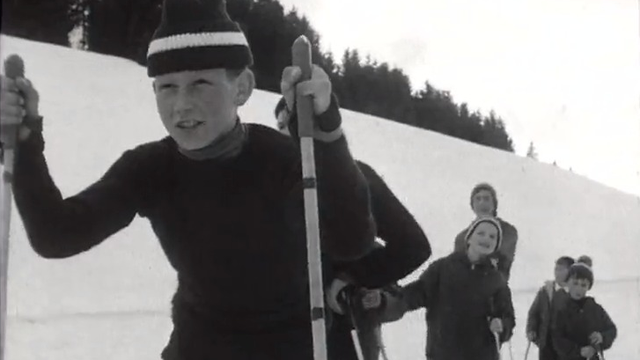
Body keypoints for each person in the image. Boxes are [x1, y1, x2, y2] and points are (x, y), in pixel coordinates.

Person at [0, 0, 379, 359]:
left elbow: (352, 240)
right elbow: (56, 234)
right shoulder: (149, 168)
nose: (181, 104)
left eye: (200, 83)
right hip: (197, 348)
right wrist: (25, 143)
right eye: (167, 86)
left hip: (292, 347)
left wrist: (326, 131)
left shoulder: (280, 159)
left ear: (242, 87)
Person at [275, 98, 431, 360]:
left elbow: (412, 246)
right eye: (280, 125)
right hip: (274, 334)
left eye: (292, 122)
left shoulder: (356, 177)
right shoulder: (267, 182)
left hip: (336, 335)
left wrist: (352, 277)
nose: (284, 131)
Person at [368, 217, 516, 360]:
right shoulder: (443, 268)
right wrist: (383, 303)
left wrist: (502, 324)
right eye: (481, 233)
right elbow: (412, 295)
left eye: (492, 237)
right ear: (469, 238)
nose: (486, 239)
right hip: (442, 354)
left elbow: (508, 316)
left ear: (496, 245)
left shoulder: (497, 281)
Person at [552, 262, 617, 360]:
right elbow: (556, 339)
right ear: (567, 283)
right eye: (575, 283)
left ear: (588, 287)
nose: (578, 288)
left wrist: (601, 337)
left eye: (583, 285)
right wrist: (579, 351)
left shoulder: (595, 308)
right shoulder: (561, 309)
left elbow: (611, 329)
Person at [453, 182, 519, 280]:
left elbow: (503, 262)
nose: (482, 203)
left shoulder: (507, 231)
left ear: (494, 204)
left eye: (486, 199)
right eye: (478, 199)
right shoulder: (461, 238)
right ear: (472, 205)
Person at [526, 256, 575, 360]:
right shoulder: (546, 291)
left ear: (571, 271)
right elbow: (534, 313)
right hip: (546, 344)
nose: (557, 273)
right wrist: (531, 329)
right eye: (556, 269)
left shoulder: (575, 293)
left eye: (561, 269)